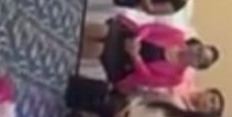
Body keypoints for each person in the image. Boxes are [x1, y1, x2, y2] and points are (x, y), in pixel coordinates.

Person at [82, 16, 219, 93]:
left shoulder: (175, 78)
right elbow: (151, 28)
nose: (195, 54)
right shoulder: (177, 36)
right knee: (104, 31)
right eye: (199, 50)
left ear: (196, 66)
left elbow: (147, 78)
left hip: (128, 66)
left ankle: (73, 43)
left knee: (100, 49)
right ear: (196, 45)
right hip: (132, 37)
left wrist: (135, 56)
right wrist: (138, 39)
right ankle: (75, 29)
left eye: (199, 59)